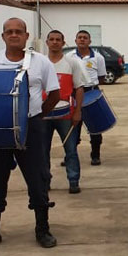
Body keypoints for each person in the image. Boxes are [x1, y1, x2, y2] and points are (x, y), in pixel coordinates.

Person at [0, 17, 61, 251]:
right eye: (9, 31)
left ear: (26, 36)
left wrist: (37, 115)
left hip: (31, 128)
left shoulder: (40, 62)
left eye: (18, 31)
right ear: (3, 36)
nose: (14, 35)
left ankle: (42, 229)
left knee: (37, 178)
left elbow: (53, 94)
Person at [43, 30, 88, 193]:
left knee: (70, 150)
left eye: (58, 40)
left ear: (63, 43)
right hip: (43, 115)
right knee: (42, 151)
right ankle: (44, 181)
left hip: (66, 115)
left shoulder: (72, 63)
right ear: (47, 42)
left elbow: (79, 88)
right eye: (52, 39)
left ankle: (74, 180)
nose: (55, 42)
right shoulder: (40, 63)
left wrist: (78, 112)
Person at [67, 30, 107, 165]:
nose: (82, 40)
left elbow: (101, 77)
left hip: (91, 93)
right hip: (74, 94)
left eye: (85, 38)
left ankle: (95, 155)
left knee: (95, 128)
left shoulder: (98, 57)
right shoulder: (69, 56)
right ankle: (70, 156)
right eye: (80, 37)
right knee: (73, 127)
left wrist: (91, 88)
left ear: (90, 41)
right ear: (75, 40)